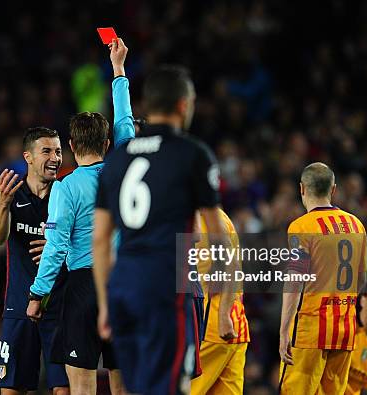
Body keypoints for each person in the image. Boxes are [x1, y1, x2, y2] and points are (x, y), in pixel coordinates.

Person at [93, 65, 235, 395]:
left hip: (124, 290)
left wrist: (104, 304)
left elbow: (100, 239)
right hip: (166, 290)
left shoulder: (116, 160)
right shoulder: (192, 154)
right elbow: (219, 238)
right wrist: (225, 305)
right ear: (184, 105)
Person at [26, 38, 134, 395]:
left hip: (84, 287)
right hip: (124, 284)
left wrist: (38, 294)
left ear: (72, 146)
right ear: (108, 145)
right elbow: (125, 122)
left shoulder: (66, 187)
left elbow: (55, 245)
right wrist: (118, 70)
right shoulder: (125, 168)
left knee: (82, 386)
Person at [0, 127, 69, 394]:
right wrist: (2, 205)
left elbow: (87, 243)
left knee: (64, 389)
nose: (55, 158)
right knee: (11, 389)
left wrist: (57, 244)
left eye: (58, 151)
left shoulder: (67, 194)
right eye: (46, 151)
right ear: (28, 157)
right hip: (19, 306)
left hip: (59, 307)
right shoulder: (13, 193)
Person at [279, 162, 367, 394]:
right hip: (345, 330)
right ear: (334, 189)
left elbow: (294, 281)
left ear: (302, 189)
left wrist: (284, 331)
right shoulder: (357, 225)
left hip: (311, 329)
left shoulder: (301, 227)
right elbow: (361, 279)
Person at [190, 209, 250, 395]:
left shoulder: (203, 219)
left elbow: (230, 266)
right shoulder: (220, 216)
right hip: (235, 324)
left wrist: (223, 315)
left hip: (211, 325)